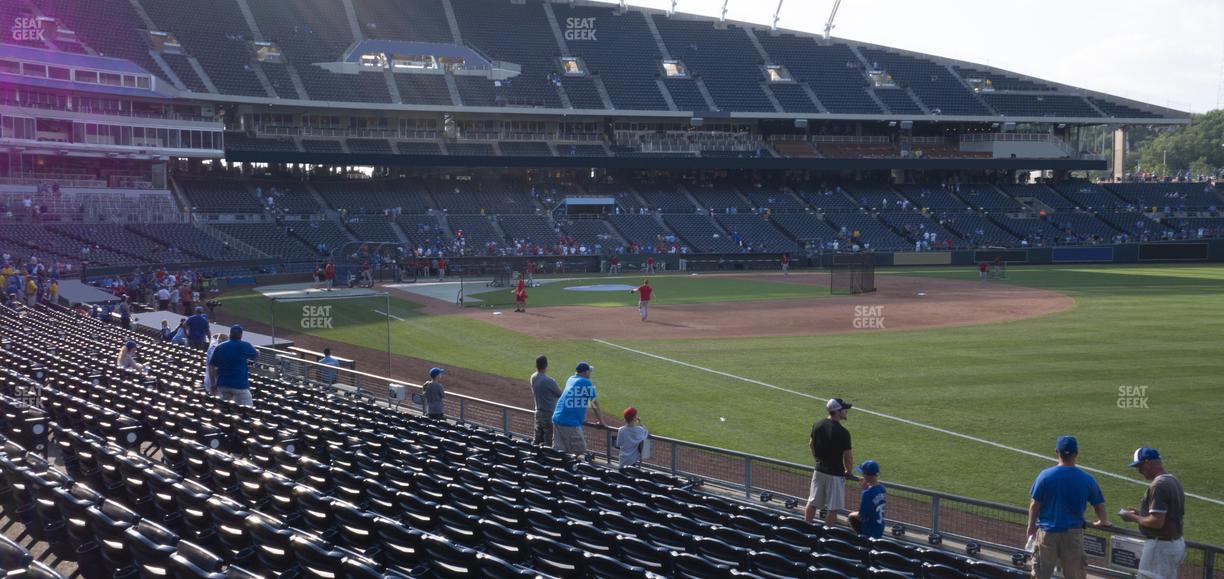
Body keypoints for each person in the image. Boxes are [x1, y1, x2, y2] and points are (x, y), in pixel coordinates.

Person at [1026, 436, 1111, 579]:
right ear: (1076, 453)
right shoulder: (1086, 478)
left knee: (1041, 575)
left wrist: (1031, 526)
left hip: (1047, 534)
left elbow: (1035, 504)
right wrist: (1103, 521)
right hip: (1073, 535)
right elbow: (1099, 505)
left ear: (1056, 452)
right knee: (1075, 575)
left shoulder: (1045, 476)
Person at [1120, 448, 1185, 579]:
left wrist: (1132, 517)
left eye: (1139, 467)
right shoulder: (1173, 480)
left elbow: (1157, 522)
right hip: (1174, 544)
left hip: (1160, 548)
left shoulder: (1158, 485)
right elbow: (1168, 516)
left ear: (1147, 463)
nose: (1139, 471)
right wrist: (1141, 514)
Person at [806, 397, 854, 525]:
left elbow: (811, 444)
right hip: (835, 474)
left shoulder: (817, 424)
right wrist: (848, 471)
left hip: (819, 470)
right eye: (844, 409)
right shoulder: (843, 433)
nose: (846, 412)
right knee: (832, 509)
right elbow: (848, 457)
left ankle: (806, 526)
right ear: (838, 411)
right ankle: (827, 535)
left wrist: (818, 459)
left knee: (813, 502)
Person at [551, 362, 603, 456]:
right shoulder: (586, 382)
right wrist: (602, 422)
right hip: (569, 422)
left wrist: (582, 416)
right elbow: (594, 403)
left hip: (557, 418)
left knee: (560, 451)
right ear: (586, 372)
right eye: (589, 371)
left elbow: (577, 399)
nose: (590, 373)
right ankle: (569, 468)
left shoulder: (570, 379)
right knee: (579, 449)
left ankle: (561, 468)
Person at [208, 325, 258, 406]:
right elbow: (255, 355)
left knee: (225, 409)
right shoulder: (245, 345)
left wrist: (213, 384)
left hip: (223, 385)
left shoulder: (220, 347)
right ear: (241, 335)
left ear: (230, 334)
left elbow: (211, 366)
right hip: (240, 385)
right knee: (249, 409)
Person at [848, 460, 886, 539]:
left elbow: (861, 516)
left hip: (869, 530)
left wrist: (851, 515)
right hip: (880, 527)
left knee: (851, 517)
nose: (862, 475)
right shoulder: (882, 488)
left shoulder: (867, 493)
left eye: (863, 473)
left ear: (866, 475)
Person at [530, 355, 561, 446]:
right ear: (546, 365)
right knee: (549, 441)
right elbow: (560, 394)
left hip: (538, 412)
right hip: (548, 414)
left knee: (537, 439)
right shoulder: (549, 381)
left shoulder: (533, 377)